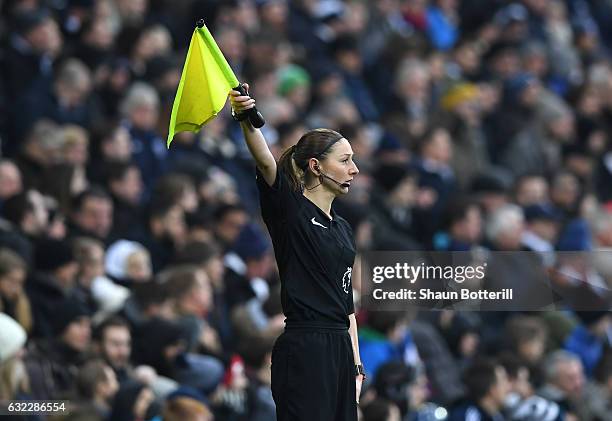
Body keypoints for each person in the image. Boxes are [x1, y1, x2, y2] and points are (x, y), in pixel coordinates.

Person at [230, 84, 364, 421]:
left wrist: (357, 365)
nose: (354, 169)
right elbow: (265, 161)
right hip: (305, 346)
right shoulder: (290, 210)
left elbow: (346, 303)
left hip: (340, 351)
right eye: (345, 160)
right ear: (316, 166)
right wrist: (247, 119)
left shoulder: (343, 228)